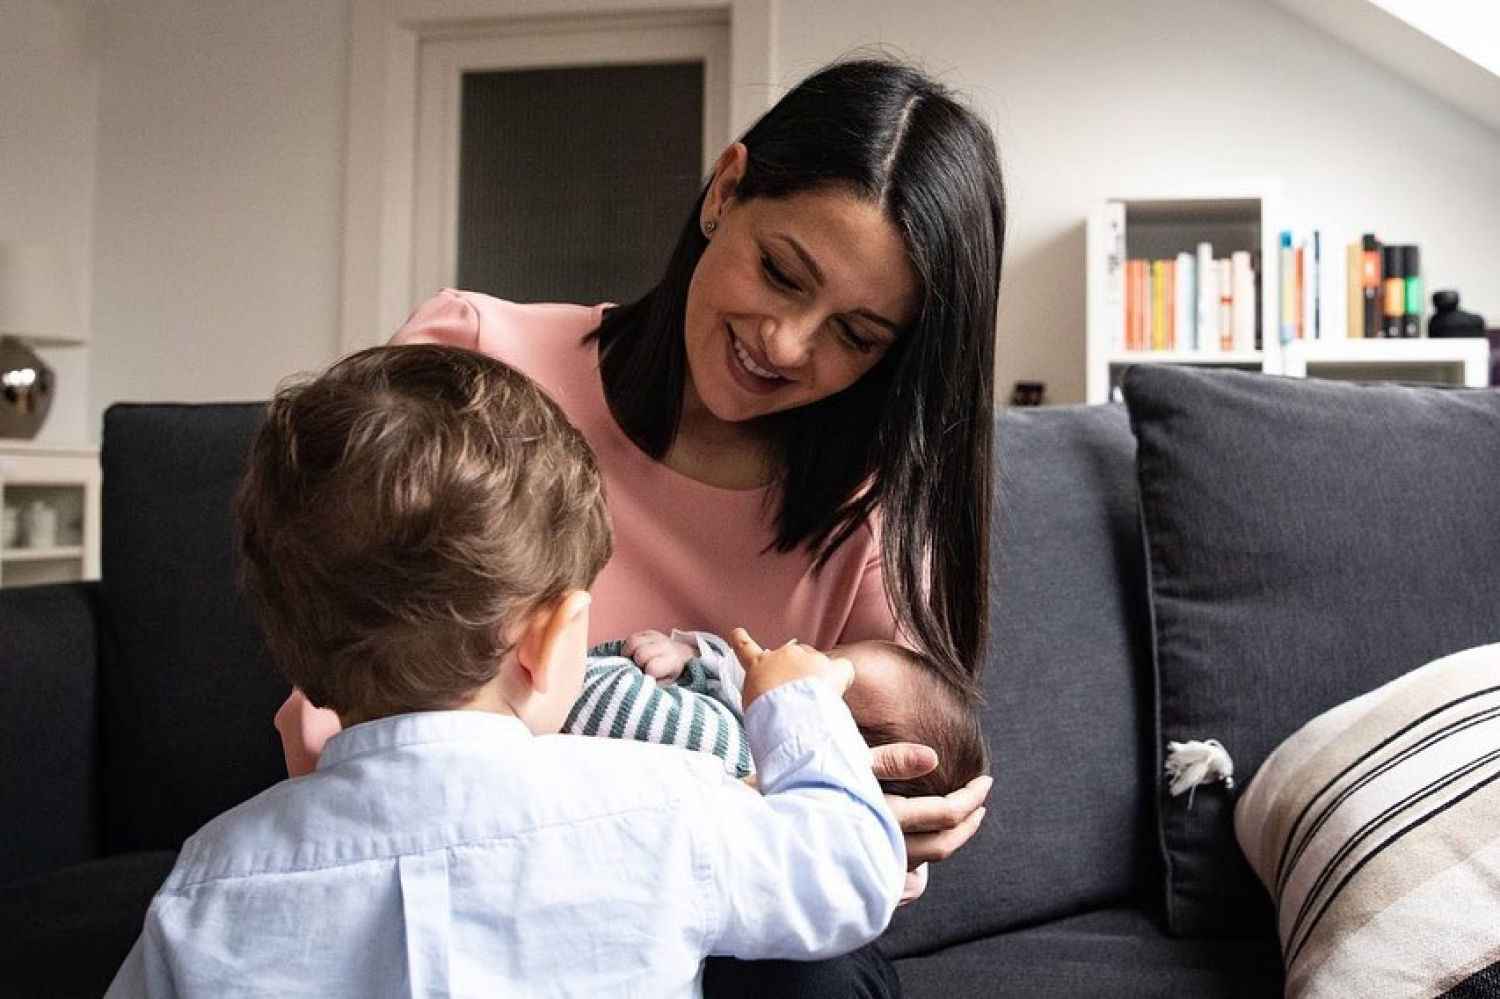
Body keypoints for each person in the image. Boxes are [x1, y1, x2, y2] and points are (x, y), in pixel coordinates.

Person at [276, 55, 1005, 997]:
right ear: (726, 190)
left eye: (855, 336)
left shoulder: (865, 515)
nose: (787, 345)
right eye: (782, 272)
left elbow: (837, 831)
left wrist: (889, 820)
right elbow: (339, 684)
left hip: (705, 927)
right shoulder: (480, 359)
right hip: (429, 857)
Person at [106, 344, 904, 997]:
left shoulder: (206, 884)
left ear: (298, 657)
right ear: (551, 638)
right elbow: (851, 871)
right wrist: (794, 702)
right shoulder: (666, 802)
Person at [576, 629, 988, 799]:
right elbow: (727, 675)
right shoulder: (749, 711)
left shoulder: (729, 754)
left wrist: (626, 660)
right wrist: (686, 656)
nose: (798, 652)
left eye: (821, 670)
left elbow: (593, 696)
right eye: (826, 653)